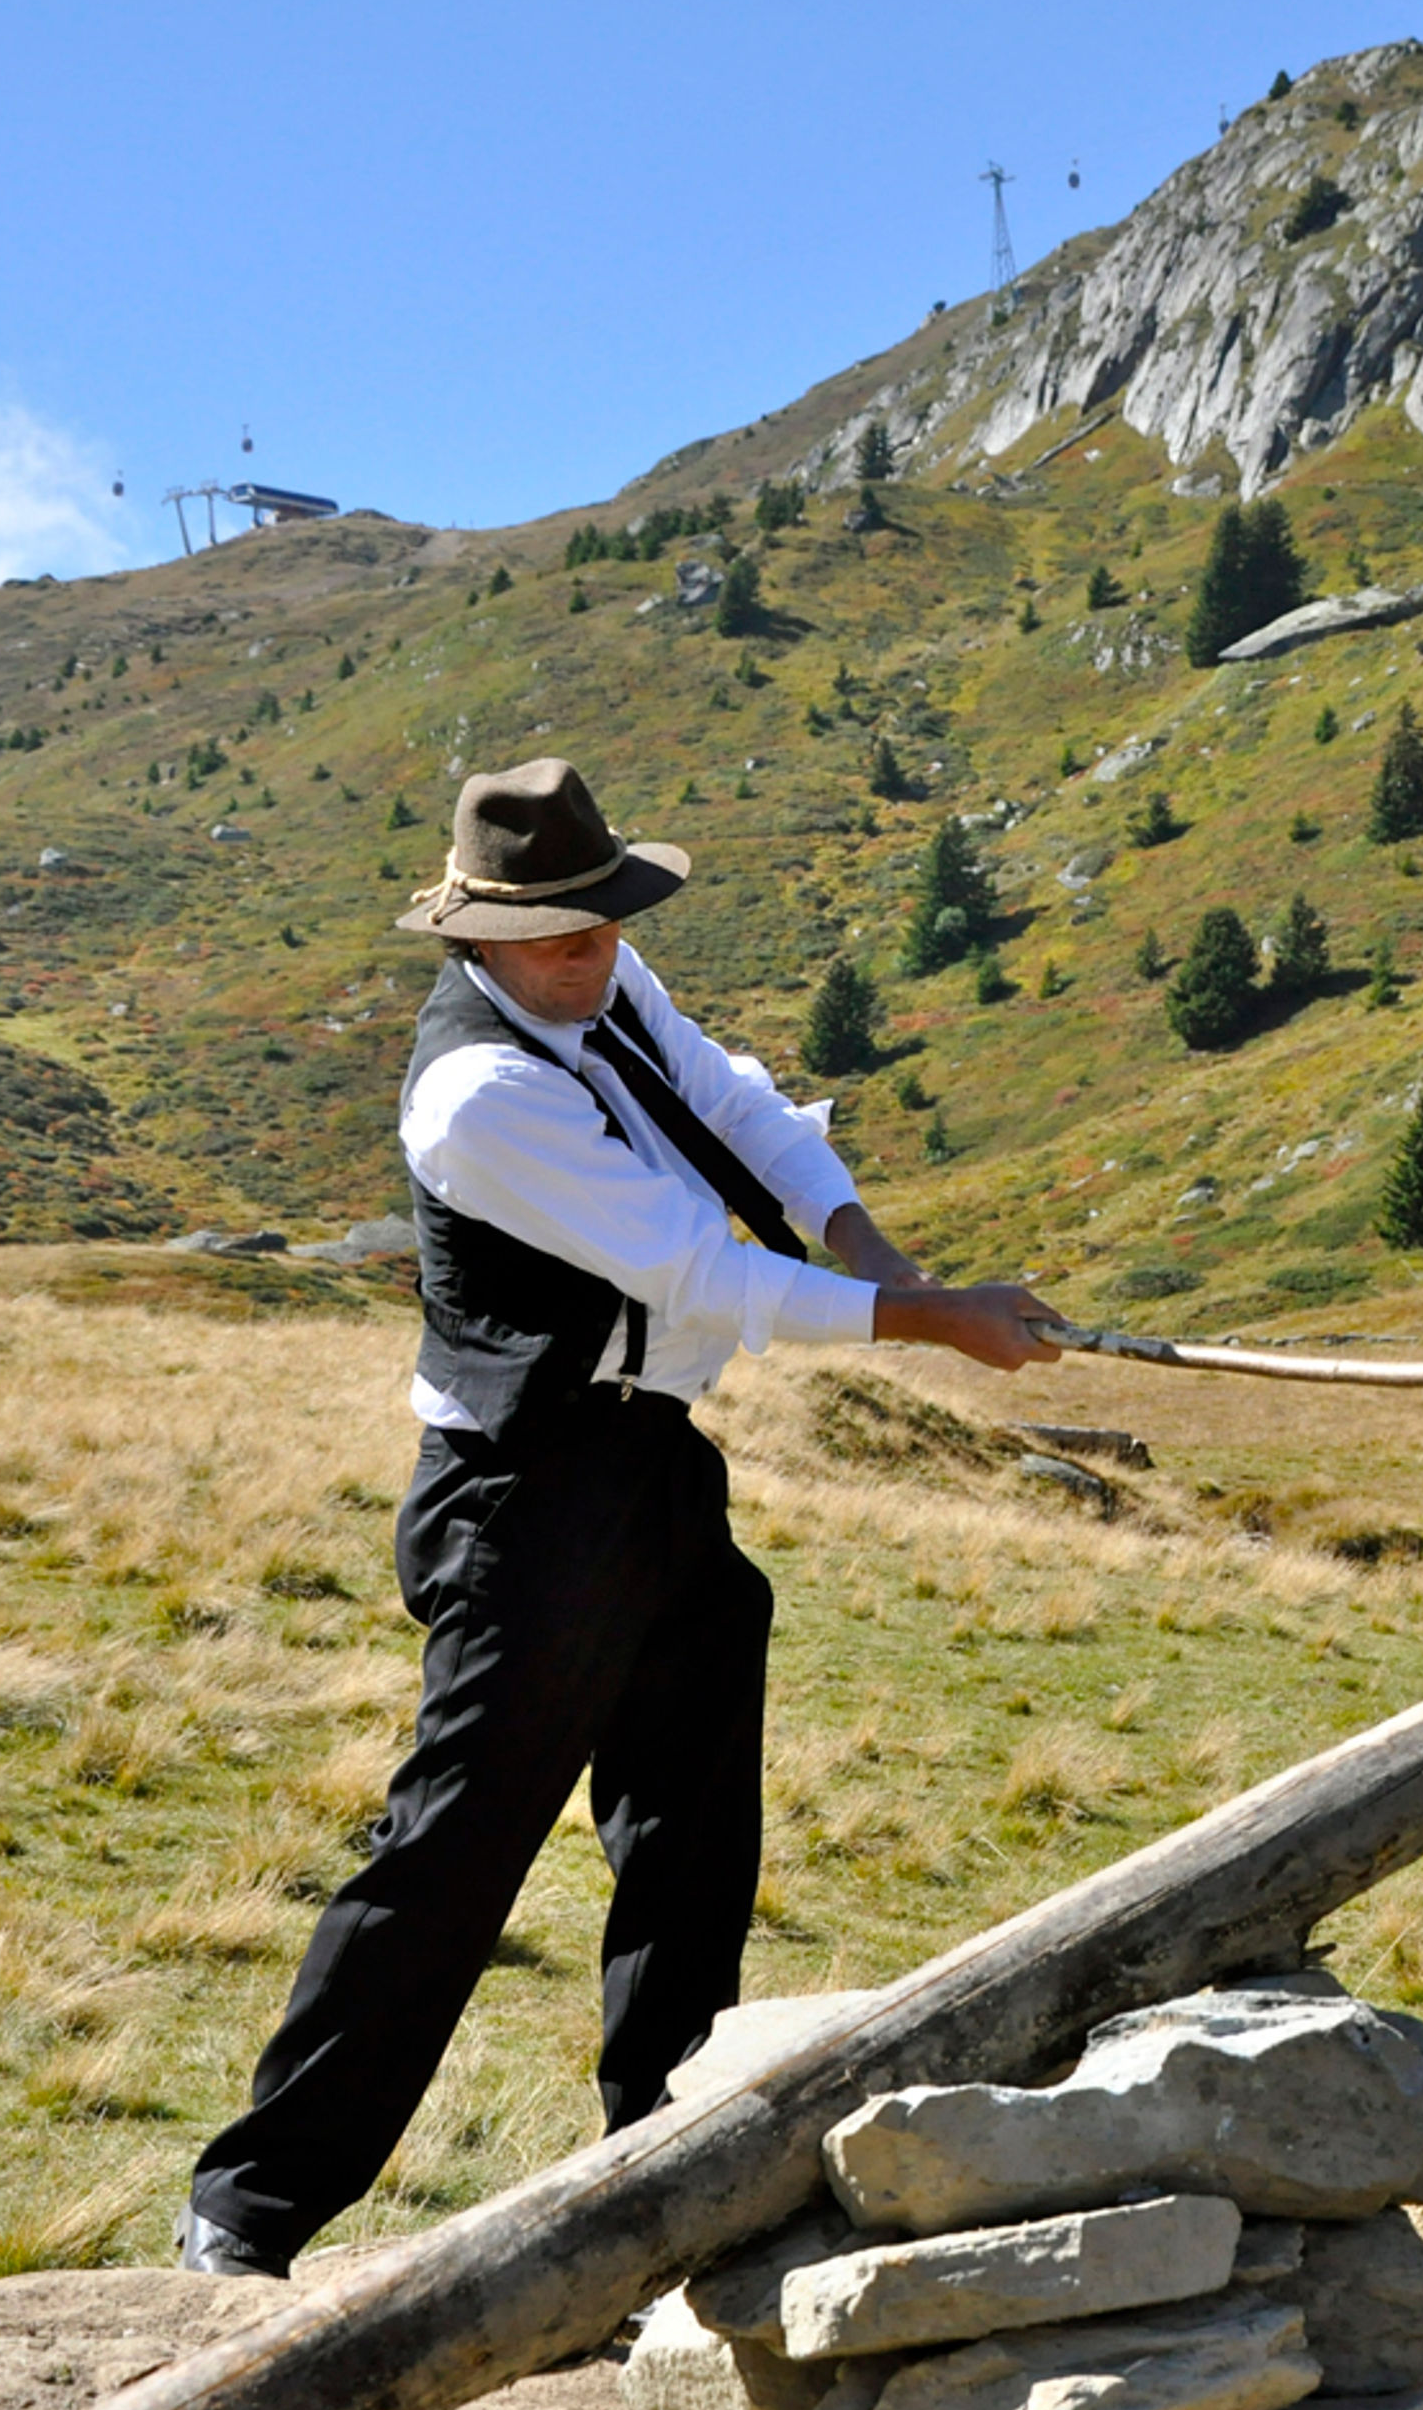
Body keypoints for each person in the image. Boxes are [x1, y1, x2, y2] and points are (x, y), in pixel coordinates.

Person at [178, 758, 1057, 2277]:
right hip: (524, 1497)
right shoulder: (482, 1092)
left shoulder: (600, 977)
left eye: (601, 929)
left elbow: (745, 1118)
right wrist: (925, 1328)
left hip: (649, 1460)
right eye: (558, 940)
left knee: (695, 1815)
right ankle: (248, 2212)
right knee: (455, 1849)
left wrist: (898, 1268)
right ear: (475, 936)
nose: (591, 958)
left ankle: (669, 2168)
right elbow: (696, 1271)